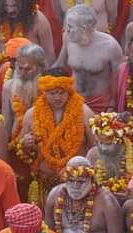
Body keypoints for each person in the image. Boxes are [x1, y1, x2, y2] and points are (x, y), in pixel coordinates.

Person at [15, 69, 96, 205]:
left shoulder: (85, 113)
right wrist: (25, 144)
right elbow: (21, 149)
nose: (57, 98)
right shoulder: (31, 115)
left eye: (61, 93)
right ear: (44, 92)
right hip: (44, 181)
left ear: (69, 90)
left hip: (76, 183)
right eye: (52, 93)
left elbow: (96, 149)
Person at [53, 5, 123, 112]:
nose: (67, 30)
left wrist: (112, 104)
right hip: (74, 99)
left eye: (70, 26)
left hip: (101, 103)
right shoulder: (68, 39)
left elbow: (118, 79)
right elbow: (60, 64)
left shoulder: (110, 46)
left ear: (84, 28)